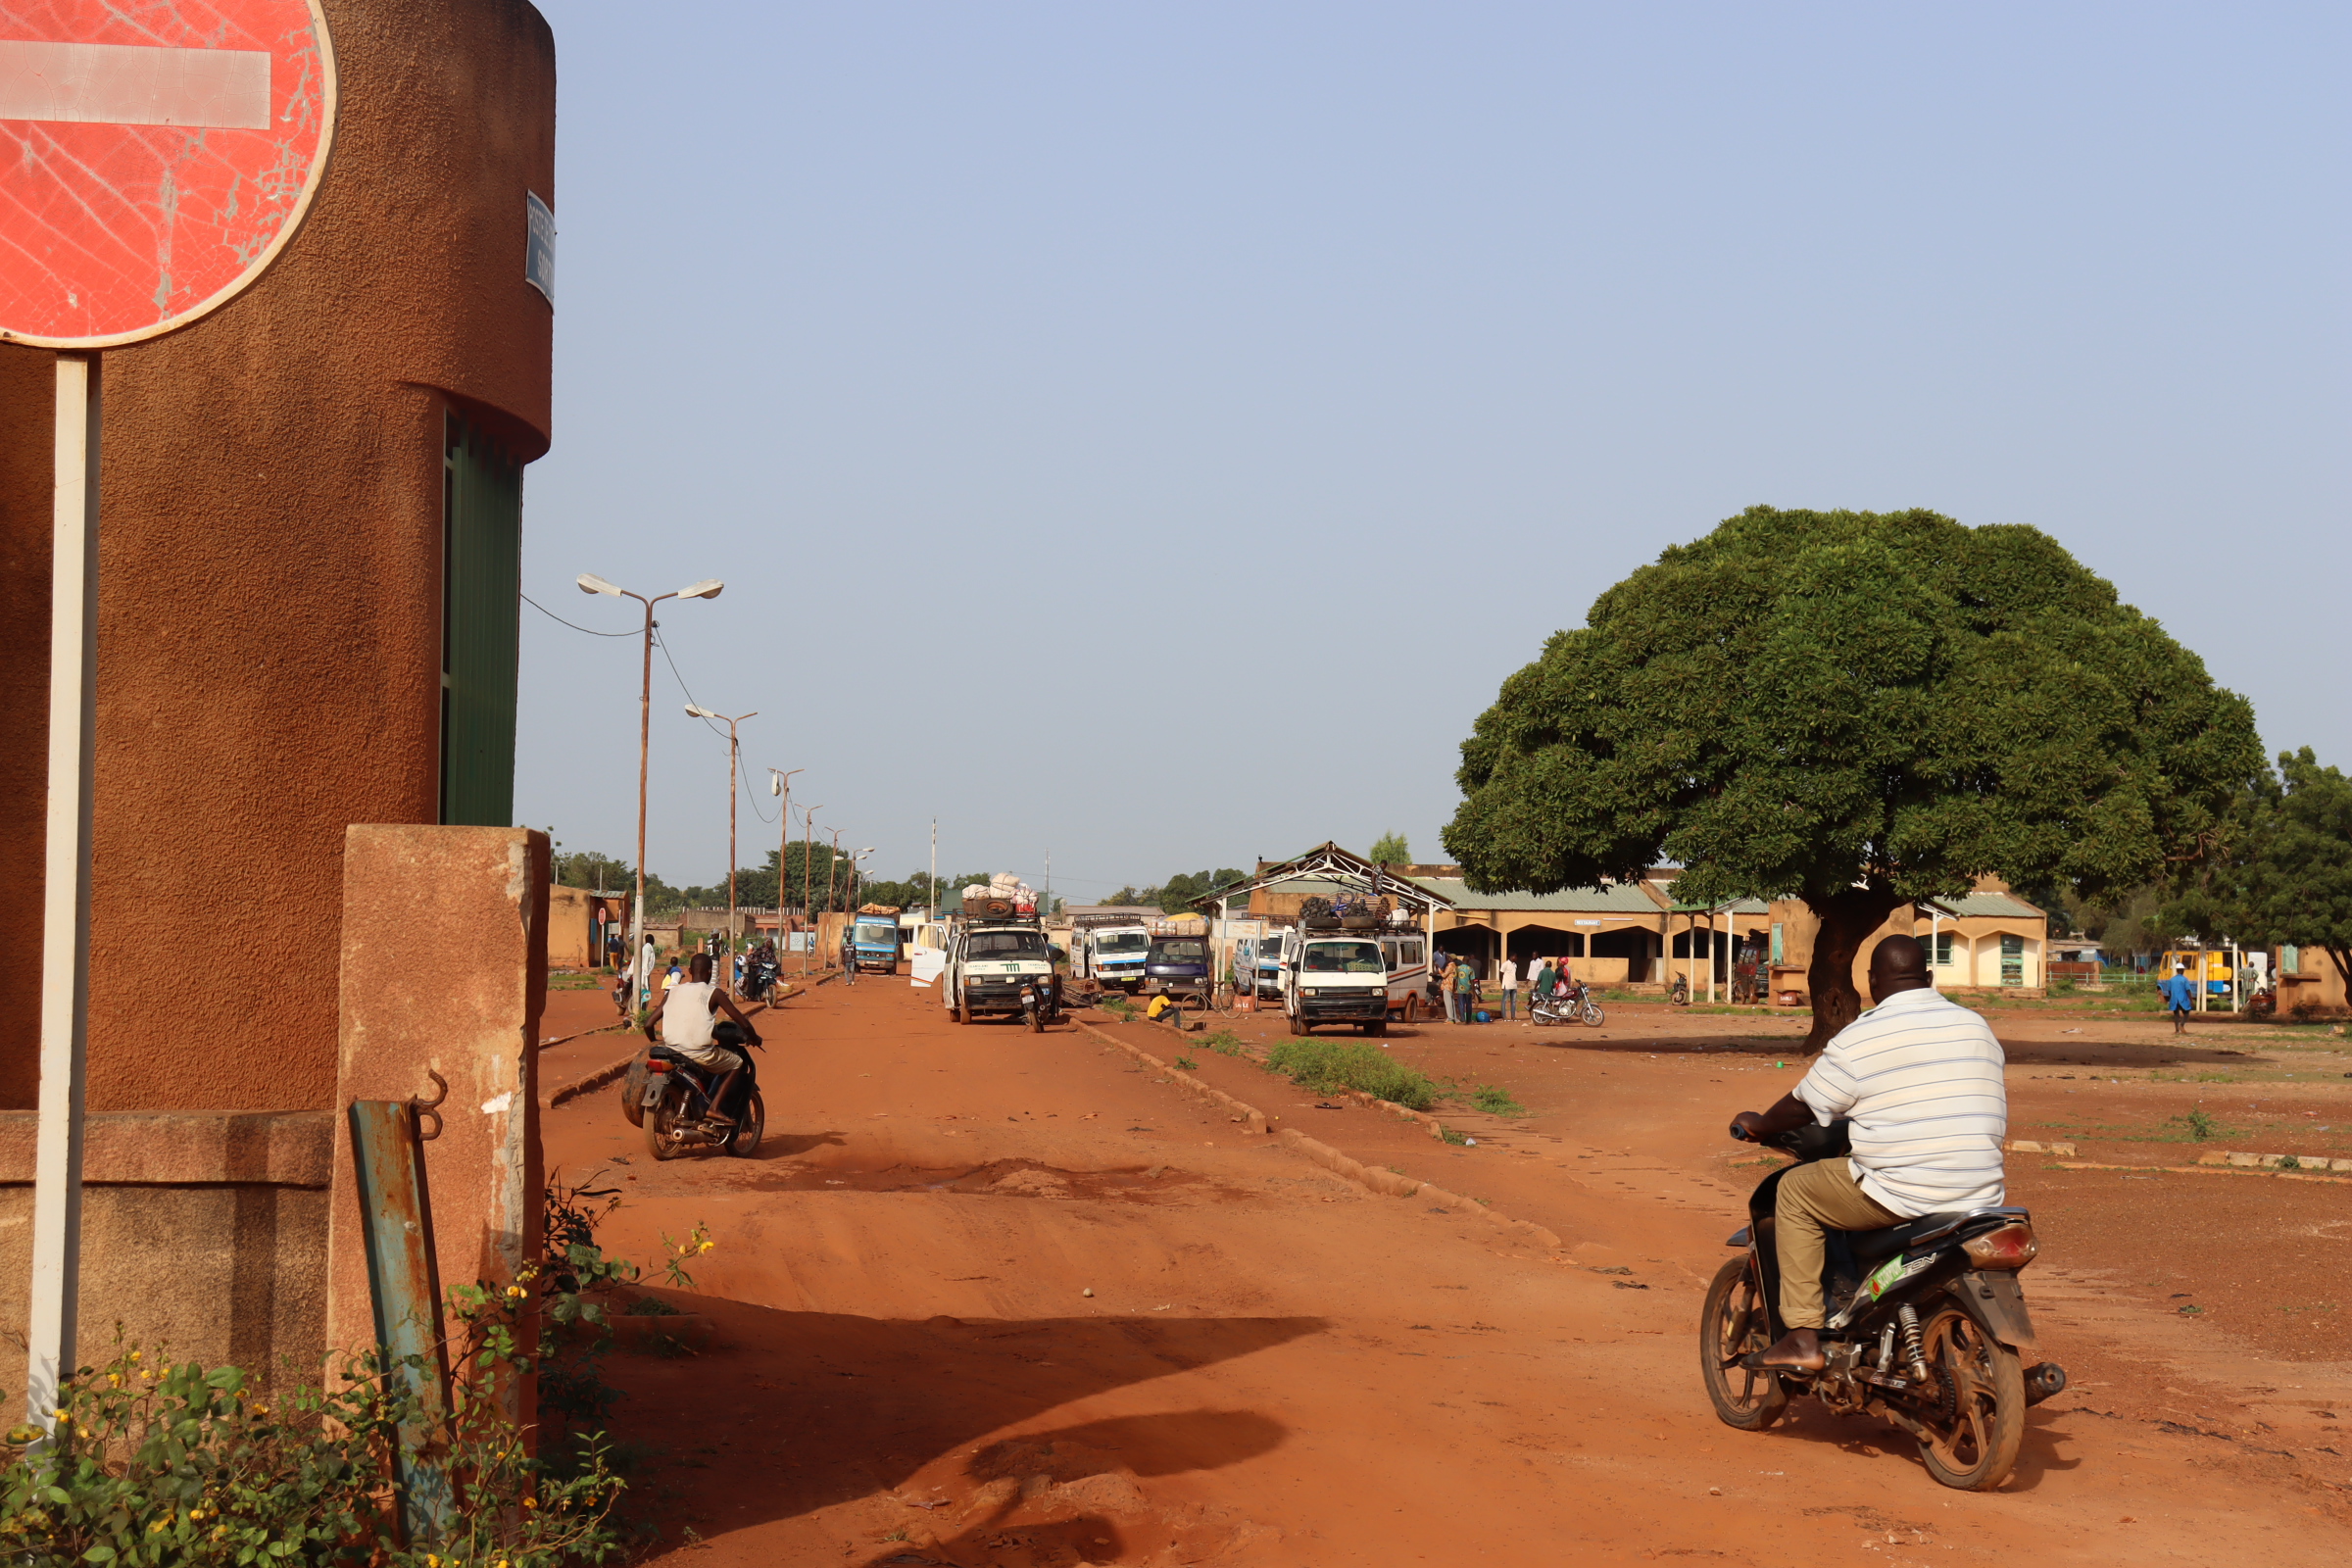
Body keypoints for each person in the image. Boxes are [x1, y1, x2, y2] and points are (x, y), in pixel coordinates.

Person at [1730, 934, 2006, 1372]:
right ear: (1928, 978)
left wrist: (1761, 1123)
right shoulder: (1975, 1026)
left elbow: (1806, 1104)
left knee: (1795, 1192)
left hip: (1905, 1191)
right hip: (1982, 1194)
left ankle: (1801, 1338)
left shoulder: (1863, 1035)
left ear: (1872, 983)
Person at [643, 953, 760, 1123]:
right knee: (737, 1063)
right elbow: (743, 1022)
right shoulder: (714, 993)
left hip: (672, 1052)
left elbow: (648, 1024)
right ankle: (714, 1108)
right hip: (699, 1053)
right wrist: (754, 1038)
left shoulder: (673, 992)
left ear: (689, 971)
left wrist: (655, 1042)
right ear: (710, 972)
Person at [2158, 963, 2196, 1035]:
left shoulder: (2171, 980)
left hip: (2174, 999)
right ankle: (2181, 1025)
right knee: (2186, 1013)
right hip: (2183, 999)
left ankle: (2177, 1030)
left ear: (2177, 970)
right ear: (2182, 970)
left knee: (2176, 1014)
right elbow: (2188, 990)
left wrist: (2170, 998)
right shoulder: (2184, 979)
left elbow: (2169, 990)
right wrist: (2191, 1000)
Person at [1454, 957, 1478, 1022]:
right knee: (1468, 1004)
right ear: (1468, 961)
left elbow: (1455, 979)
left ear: (1462, 960)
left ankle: (1462, 1018)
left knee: (1461, 1004)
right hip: (1468, 989)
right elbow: (1472, 981)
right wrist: (1473, 991)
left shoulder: (1458, 968)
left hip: (1460, 989)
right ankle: (1468, 1019)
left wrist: (1454, 987)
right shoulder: (1470, 969)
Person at [1496, 956, 1521, 1021]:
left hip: (1514, 985)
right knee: (1504, 1001)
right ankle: (1504, 1016)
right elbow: (1501, 974)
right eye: (1515, 957)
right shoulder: (1505, 964)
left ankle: (1513, 1016)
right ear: (1512, 956)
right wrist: (1502, 984)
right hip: (1507, 985)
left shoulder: (1515, 965)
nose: (1516, 958)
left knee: (1513, 1001)